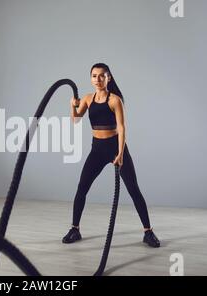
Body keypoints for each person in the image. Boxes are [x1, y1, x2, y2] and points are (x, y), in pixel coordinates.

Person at [62, 63, 160, 248]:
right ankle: (75, 229)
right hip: (97, 150)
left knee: (133, 190)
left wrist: (121, 153)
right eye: (94, 76)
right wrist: (71, 106)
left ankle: (148, 232)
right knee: (82, 187)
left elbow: (122, 128)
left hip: (116, 147)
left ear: (109, 78)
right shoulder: (88, 99)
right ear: (90, 78)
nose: (97, 79)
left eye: (101, 76)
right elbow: (75, 120)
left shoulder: (115, 100)